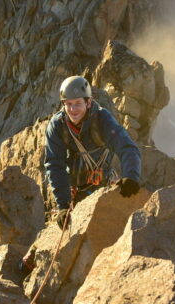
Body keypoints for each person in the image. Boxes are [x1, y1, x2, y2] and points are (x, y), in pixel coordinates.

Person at [44, 75, 142, 228]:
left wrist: (131, 176)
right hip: (74, 191)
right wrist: (63, 205)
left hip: (103, 186)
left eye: (77, 103)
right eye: (68, 104)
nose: (73, 109)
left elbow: (126, 147)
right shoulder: (57, 126)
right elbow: (55, 165)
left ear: (88, 102)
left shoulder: (102, 120)